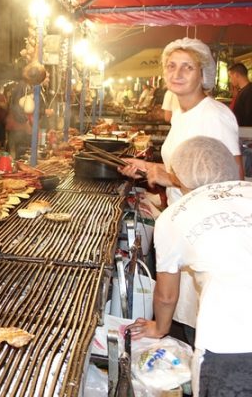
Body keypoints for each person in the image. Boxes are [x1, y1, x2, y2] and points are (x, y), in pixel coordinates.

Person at [120, 37, 243, 341]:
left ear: (204, 74)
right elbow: (188, 167)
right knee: (190, 314)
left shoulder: (213, 115)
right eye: (171, 66)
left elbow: (230, 177)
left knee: (206, 321)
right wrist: (150, 169)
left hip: (205, 231)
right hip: (185, 223)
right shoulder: (182, 112)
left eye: (187, 67)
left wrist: (167, 177)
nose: (177, 73)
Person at [127, 136, 252, 396]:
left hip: (231, 340)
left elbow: (166, 294)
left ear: (178, 177)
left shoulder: (175, 215)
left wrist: (159, 328)